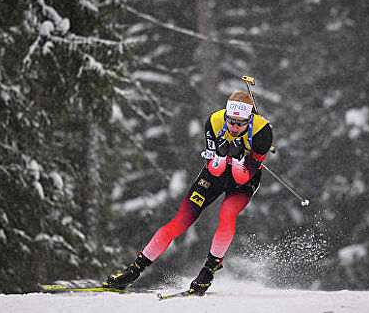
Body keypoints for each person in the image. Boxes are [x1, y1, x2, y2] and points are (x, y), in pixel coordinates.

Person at [103, 91, 273, 295]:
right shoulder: (215, 121)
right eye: (231, 121)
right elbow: (214, 169)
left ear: (249, 119)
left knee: (227, 215)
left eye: (240, 123)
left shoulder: (262, 132)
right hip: (216, 172)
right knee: (181, 220)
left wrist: (237, 159)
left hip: (244, 177)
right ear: (226, 115)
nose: (234, 127)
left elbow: (242, 178)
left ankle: (208, 271)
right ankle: (133, 271)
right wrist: (220, 155)